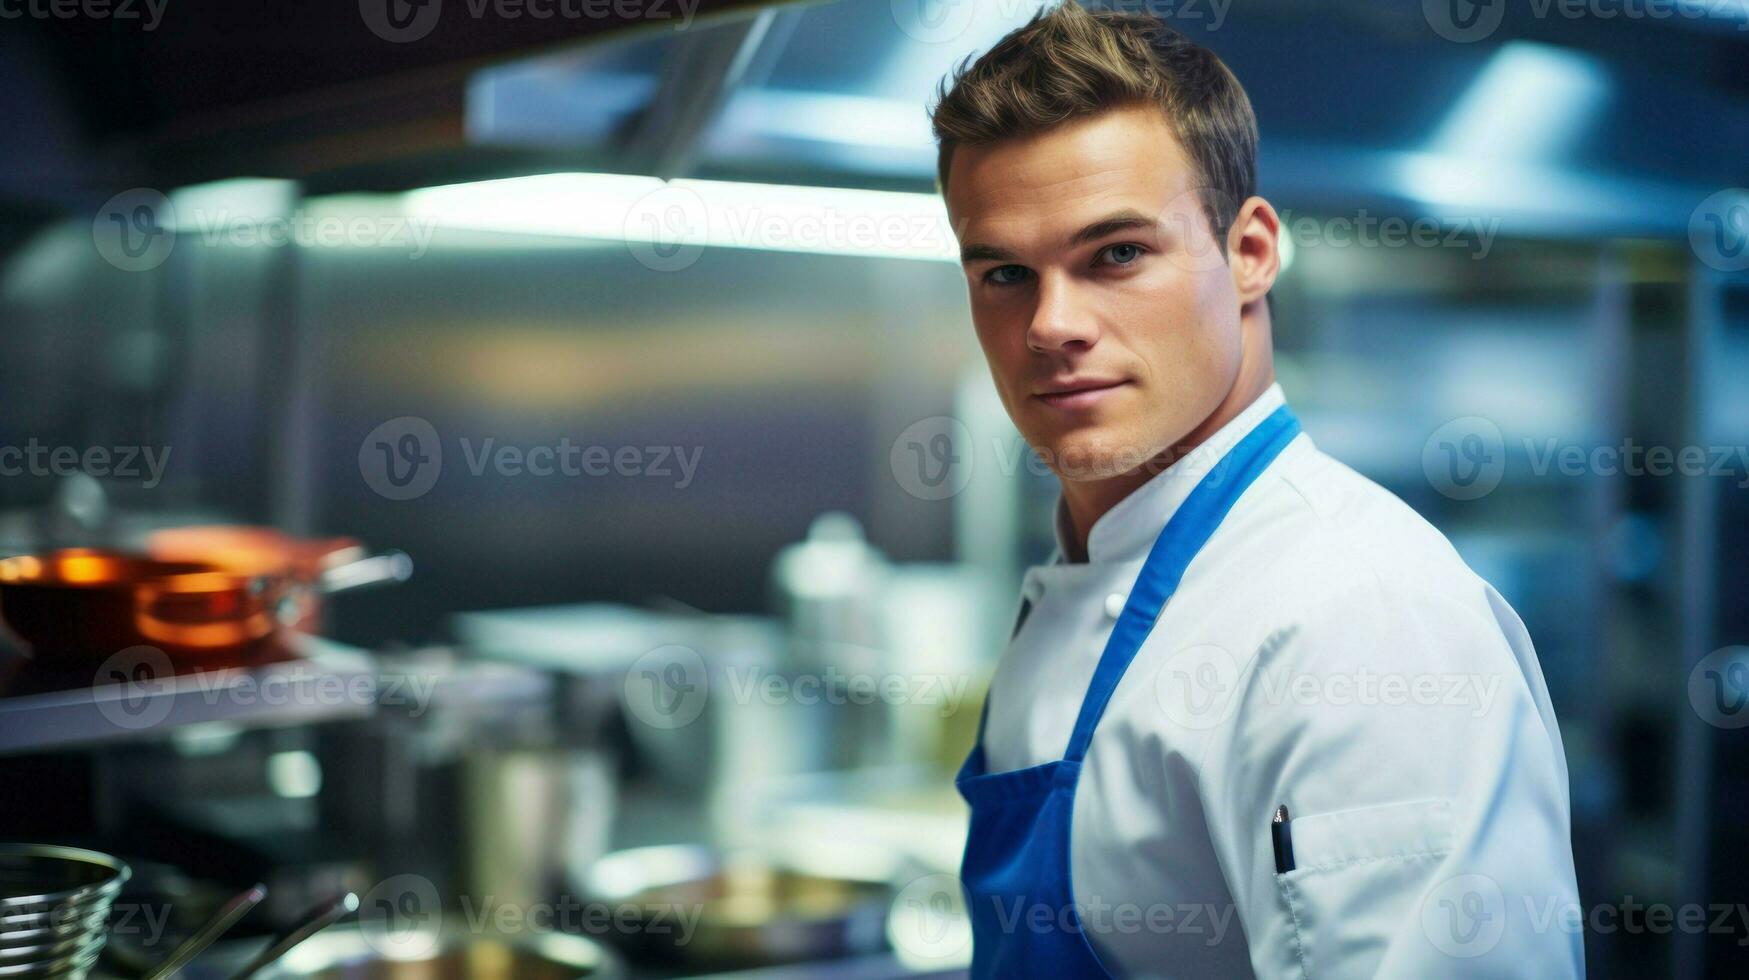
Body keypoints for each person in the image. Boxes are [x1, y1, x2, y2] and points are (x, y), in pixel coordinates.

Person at [930, 3, 1583, 976]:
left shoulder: (1360, 618)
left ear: (1251, 252)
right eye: (1006, 272)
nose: (1051, 323)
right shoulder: (1090, 570)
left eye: (1116, 253)